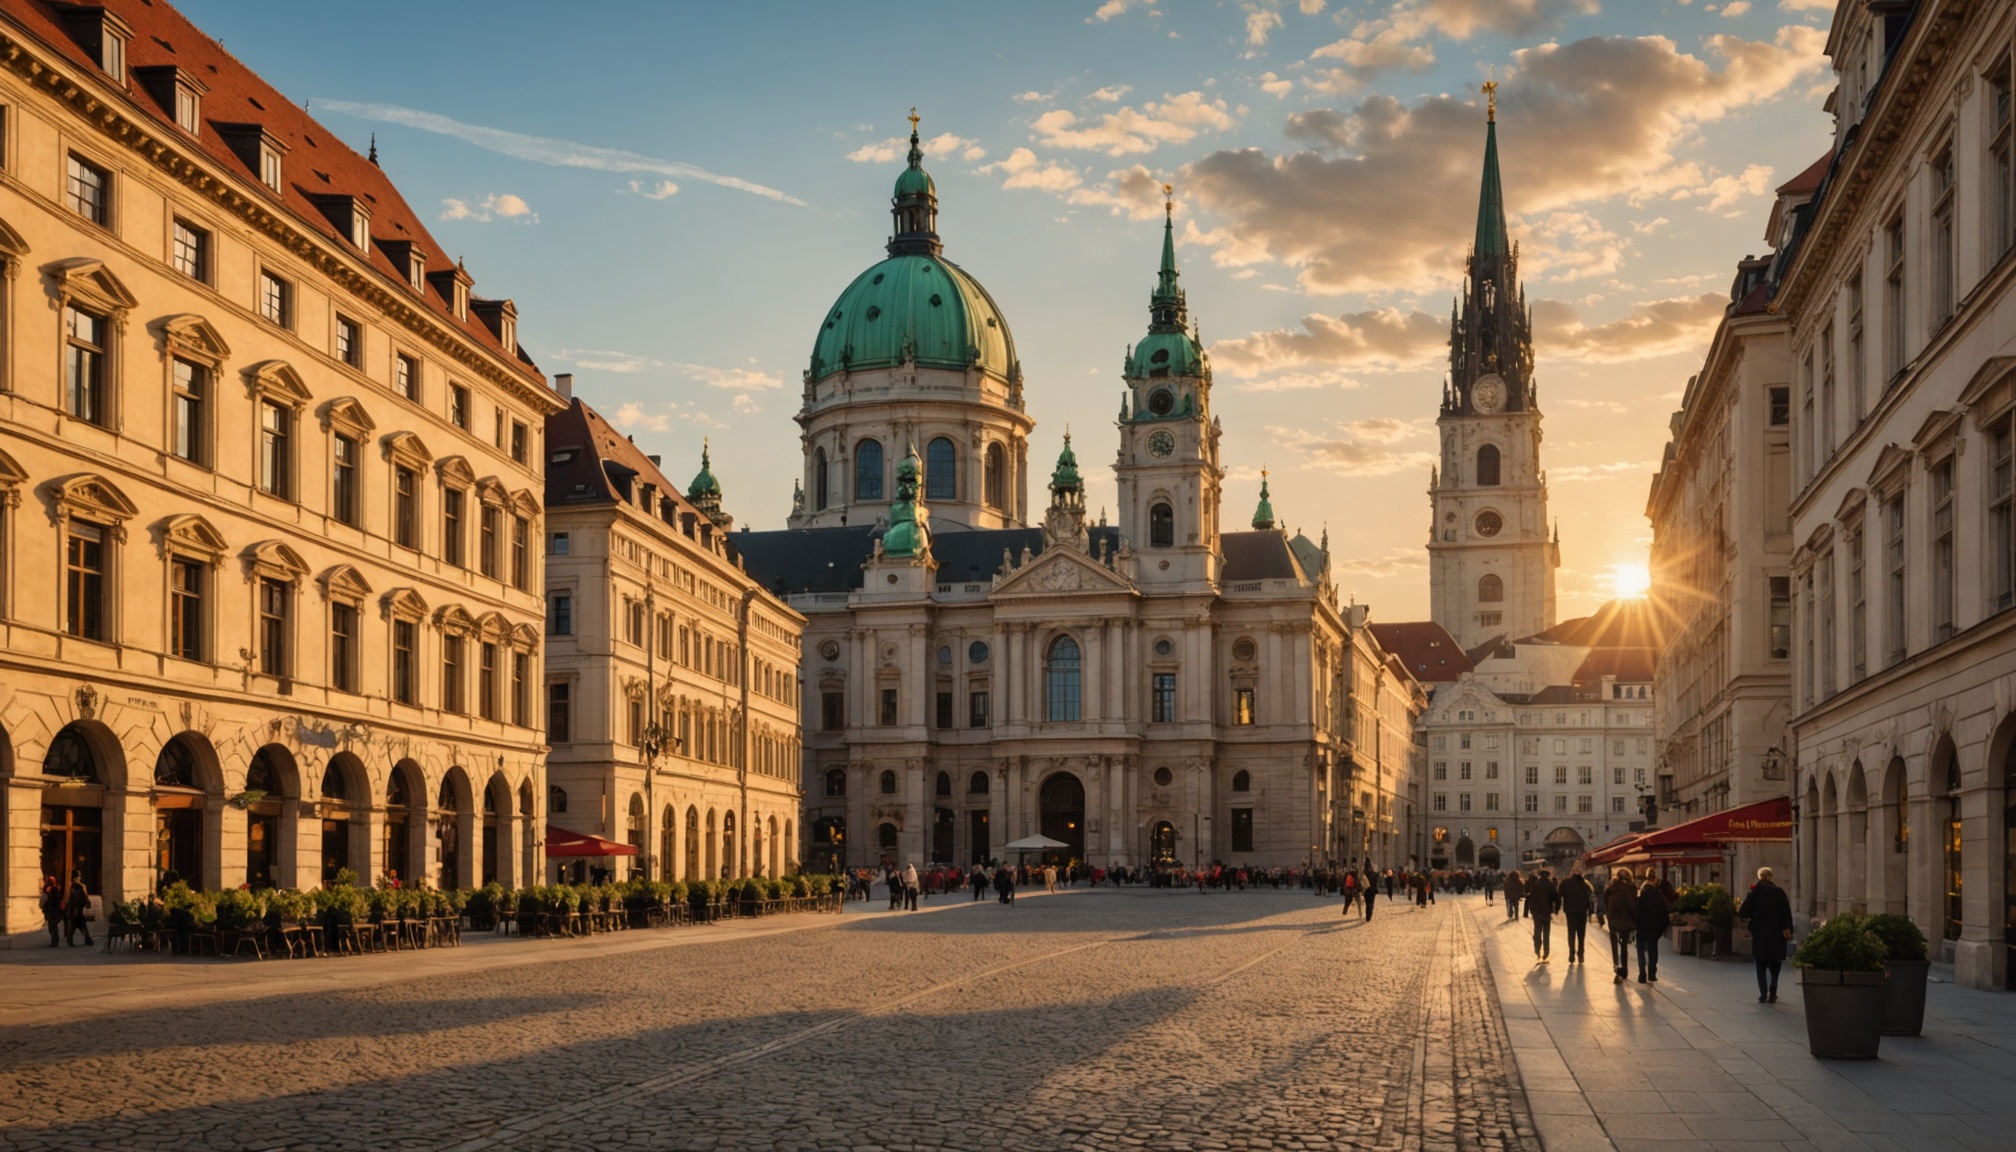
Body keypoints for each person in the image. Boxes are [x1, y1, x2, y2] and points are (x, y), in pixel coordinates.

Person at [1737, 866, 1795, 1003]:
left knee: (1761, 965)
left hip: (1760, 933)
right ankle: (1773, 986)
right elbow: (1787, 914)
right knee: (1775, 962)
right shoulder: (1779, 892)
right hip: (1777, 934)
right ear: (1771, 877)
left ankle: (1763, 993)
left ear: (1759, 877)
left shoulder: (1755, 892)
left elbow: (1743, 912)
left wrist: (1749, 897)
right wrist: (1788, 929)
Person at [1604, 868, 1638, 985]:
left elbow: (1605, 903)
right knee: (1623, 945)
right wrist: (1635, 920)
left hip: (1613, 921)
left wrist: (1608, 914)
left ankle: (1616, 965)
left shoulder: (1610, 889)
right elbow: (1633, 907)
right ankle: (1624, 970)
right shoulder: (1631, 889)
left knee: (1614, 942)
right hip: (1625, 921)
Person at [1635, 875, 1670, 983]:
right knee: (1653, 950)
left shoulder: (1641, 897)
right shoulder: (1659, 897)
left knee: (1641, 952)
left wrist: (1635, 926)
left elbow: (1637, 912)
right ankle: (1652, 973)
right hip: (1655, 929)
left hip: (1641, 928)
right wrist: (1665, 925)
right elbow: (1664, 912)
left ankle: (1642, 975)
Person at [1558, 867, 1594, 965]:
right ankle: (1581, 954)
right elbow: (1589, 897)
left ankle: (1571, 954)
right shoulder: (1585, 884)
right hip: (1582, 912)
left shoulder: (1566, 883)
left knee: (1571, 933)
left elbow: (1560, 893)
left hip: (1570, 912)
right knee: (1581, 934)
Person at [1525, 868, 1559, 960]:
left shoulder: (1535, 885)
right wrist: (1556, 909)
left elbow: (1530, 899)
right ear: (1548, 875)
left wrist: (1531, 911)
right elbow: (1556, 897)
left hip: (1537, 913)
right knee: (1546, 933)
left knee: (1537, 931)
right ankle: (1546, 952)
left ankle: (1537, 949)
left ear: (1540, 875)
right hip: (1546, 913)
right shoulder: (1551, 885)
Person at [64, 870, 93, 947]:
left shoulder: (73, 887)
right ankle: (87, 939)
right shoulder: (79, 887)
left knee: (76, 924)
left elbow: (71, 899)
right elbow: (81, 898)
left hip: (74, 909)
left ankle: (72, 939)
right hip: (77, 909)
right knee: (79, 924)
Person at [39, 876, 64, 947]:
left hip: (53, 912)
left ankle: (55, 941)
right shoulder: (50, 891)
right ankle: (54, 940)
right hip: (51, 911)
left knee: (53, 926)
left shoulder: (54, 891)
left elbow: (54, 901)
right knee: (52, 927)